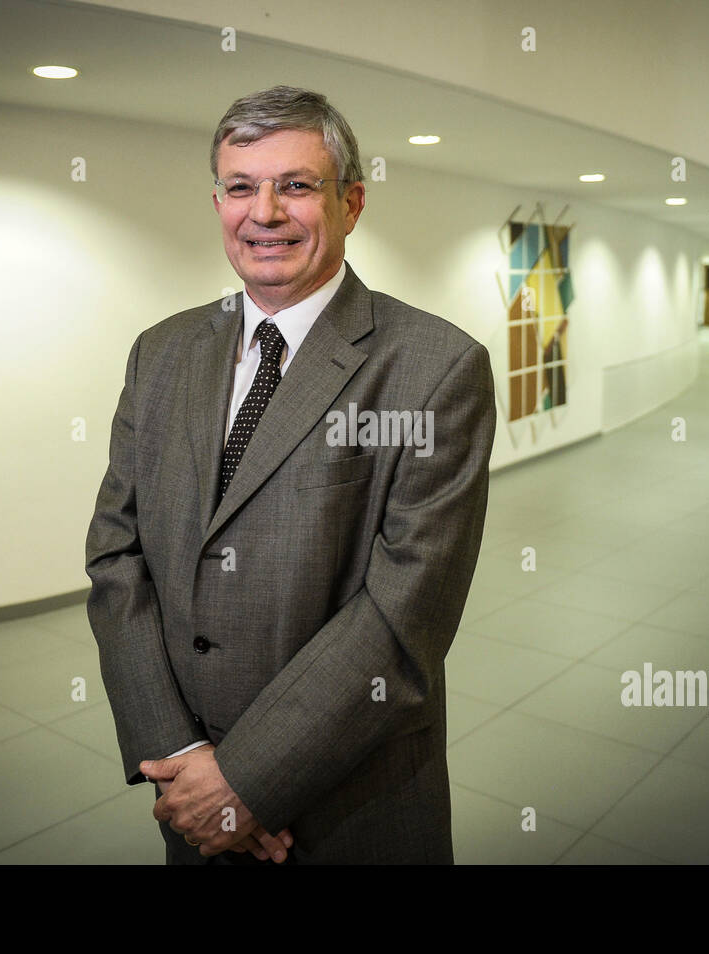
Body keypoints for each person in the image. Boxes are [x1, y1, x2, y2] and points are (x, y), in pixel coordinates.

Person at [84, 86, 496, 864]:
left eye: (296, 185)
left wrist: (247, 784)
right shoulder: (162, 353)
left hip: (349, 808)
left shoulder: (437, 369)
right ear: (218, 203)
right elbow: (116, 555)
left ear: (352, 201)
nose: (264, 212)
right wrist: (179, 758)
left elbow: (403, 622)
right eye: (241, 187)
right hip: (192, 799)